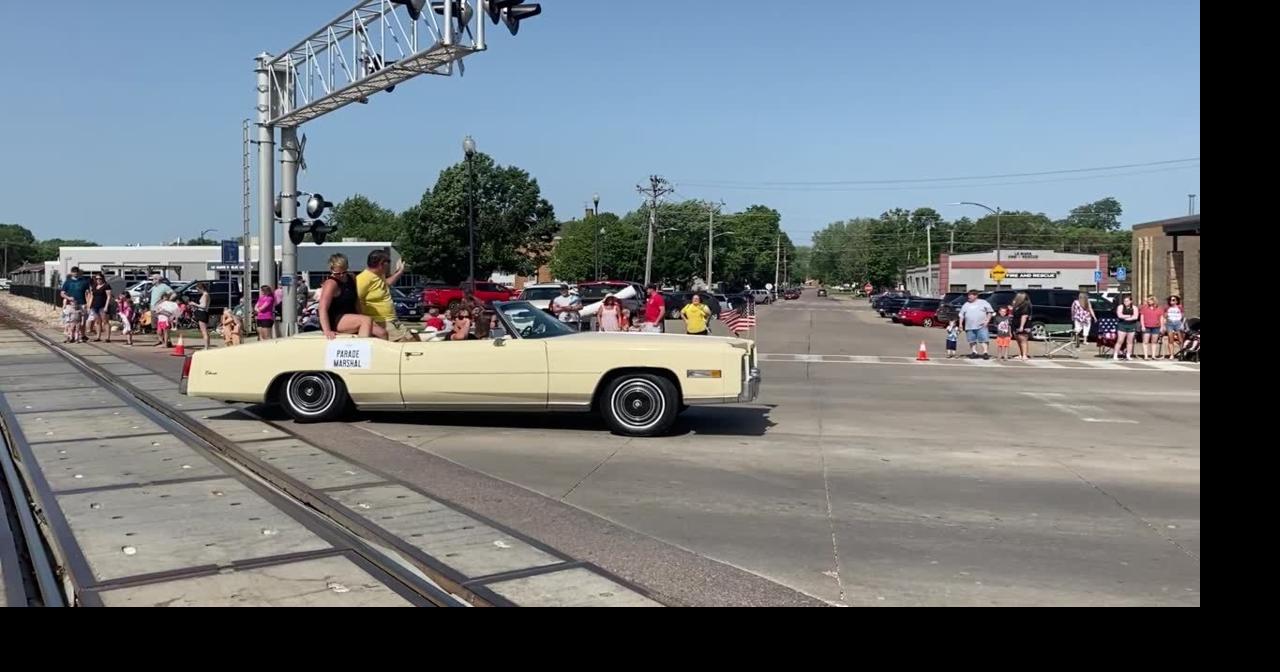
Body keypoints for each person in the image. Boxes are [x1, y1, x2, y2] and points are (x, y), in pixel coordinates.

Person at [317, 254, 374, 340]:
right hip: (335, 319)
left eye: (344, 272)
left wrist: (360, 315)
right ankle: (361, 347)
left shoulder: (352, 278)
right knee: (365, 320)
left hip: (350, 316)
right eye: (337, 273)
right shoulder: (331, 284)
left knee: (382, 332)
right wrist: (327, 331)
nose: (341, 275)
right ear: (331, 270)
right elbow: (322, 308)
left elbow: (356, 301)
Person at [356, 249, 404, 340]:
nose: (389, 264)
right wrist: (367, 323)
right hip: (380, 322)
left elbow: (386, 283)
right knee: (409, 343)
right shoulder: (363, 279)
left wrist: (399, 272)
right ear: (381, 263)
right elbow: (356, 301)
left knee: (412, 340)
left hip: (391, 321)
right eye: (388, 261)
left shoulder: (379, 275)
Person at [956, 290, 994, 360]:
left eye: (970, 295)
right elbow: (961, 315)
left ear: (976, 296)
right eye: (968, 295)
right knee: (971, 340)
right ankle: (974, 352)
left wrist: (987, 321)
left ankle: (985, 352)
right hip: (969, 326)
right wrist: (960, 324)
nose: (969, 297)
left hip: (981, 325)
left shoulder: (983, 302)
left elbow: (990, 311)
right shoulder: (966, 304)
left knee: (984, 339)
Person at [59, 266, 91, 343]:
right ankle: (70, 336)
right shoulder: (68, 282)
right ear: (71, 273)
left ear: (78, 272)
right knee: (69, 320)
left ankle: (82, 335)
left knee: (82, 320)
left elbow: (89, 293)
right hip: (71, 304)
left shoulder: (84, 282)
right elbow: (62, 293)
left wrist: (88, 303)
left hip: (82, 303)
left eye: (76, 271)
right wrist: (69, 298)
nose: (75, 273)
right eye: (73, 272)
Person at [86, 272, 113, 342]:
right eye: (97, 278)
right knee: (97, 322)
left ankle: (107, 338)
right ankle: (98, 337)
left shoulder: (106, 286)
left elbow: (109, 296)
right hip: (95, 305)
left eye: (100, 278)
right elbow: (92, 296)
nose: (98, 280)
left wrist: (106, 306)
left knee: (105, 321)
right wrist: (89, 306)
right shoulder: (94, 286)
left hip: (103, 305)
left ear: (103, 279)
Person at [1139, 295, 1166, 360]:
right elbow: (1142, 317)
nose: (1148, 301)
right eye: (1148, 300)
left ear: (1154, 301)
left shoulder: (1159, 309)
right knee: (1145, 341)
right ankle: (1146, 356)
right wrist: (1142, 326)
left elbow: (1161, 318)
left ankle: (1153, 355)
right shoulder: (1144, 308)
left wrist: (1162, 327)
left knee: (1154, 342)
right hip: (1146, 326)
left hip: (1156, 327)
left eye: (1150, 300)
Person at [1113, 294, 1139, 361]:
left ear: (1130, 301)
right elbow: (1120, 315)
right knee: (1120, 340)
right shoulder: (1120, 307)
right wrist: (1129, 316)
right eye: (1124, 301)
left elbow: (1135, 317)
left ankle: (1128, 355)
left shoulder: (1134, 308)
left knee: (1130, 341)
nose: (1125, 302)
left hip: (1131, 325)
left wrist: (1127, 317)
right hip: (1122, 325)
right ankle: (1115, 354)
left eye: (1127, 301)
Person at [1009, 291, 1032, 360]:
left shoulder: (1026, 305)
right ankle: (1021, 354)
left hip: (1023, 325)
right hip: (1016, 324)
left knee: (1023, 340)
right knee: (1018, 339)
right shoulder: (1017, 305)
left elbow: (1024, 316)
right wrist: (1012, 307)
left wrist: (1021, 326)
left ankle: (1024, 355)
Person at [1164, 295, 1185, 360]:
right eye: (1170, 300)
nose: (1171, 301)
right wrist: (1165, 322)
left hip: (1178, 323)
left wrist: (1182, 324)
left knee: (1180, 339)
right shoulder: (1167, 307)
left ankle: (1182, 353)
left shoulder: (1180, 307)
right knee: (1170, 339)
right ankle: (1171, 354)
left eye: (1173, 300)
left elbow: (1182, 316)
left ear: (1176, 301)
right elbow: (1165, 316)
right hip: (1170, 323)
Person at [192, 282, 212, 350]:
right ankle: (207, 346)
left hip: (202, 313)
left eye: (198, 289)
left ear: (201, 288)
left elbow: (203, 306)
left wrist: (194, 304)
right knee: (205, 331)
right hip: (203, 313)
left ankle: (206, 347)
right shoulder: (205, 294)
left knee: (204, 331)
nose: (197, 291)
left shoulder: (205, 295)